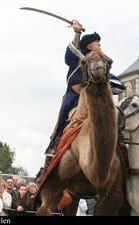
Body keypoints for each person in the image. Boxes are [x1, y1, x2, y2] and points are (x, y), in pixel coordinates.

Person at [35, 21, 124, 184]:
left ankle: (122, 152)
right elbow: (71, 53)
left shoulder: (102, 64)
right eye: (97, 41)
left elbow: (118, 84)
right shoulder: (77, 58)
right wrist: (77, 33)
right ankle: (52, 156)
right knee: (63, 121)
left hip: (97, 100)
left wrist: (106, 83)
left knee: (117, 120)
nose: (100, 44)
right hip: (76, 98)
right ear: (89, 45)